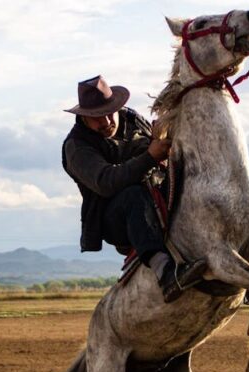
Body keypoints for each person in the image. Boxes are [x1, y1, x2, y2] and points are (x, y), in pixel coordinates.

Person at [62, 75, 206, 303]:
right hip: (116, 217)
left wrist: (162, 140)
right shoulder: (77, 147)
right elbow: (106, 182)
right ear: (85, 118)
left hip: (156, 193)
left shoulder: (132, 119)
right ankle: (165, 273)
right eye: (97, 117)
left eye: (110, 112)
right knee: (132, 195)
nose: (107, 121)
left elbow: (157, 149)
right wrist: (150, 155)